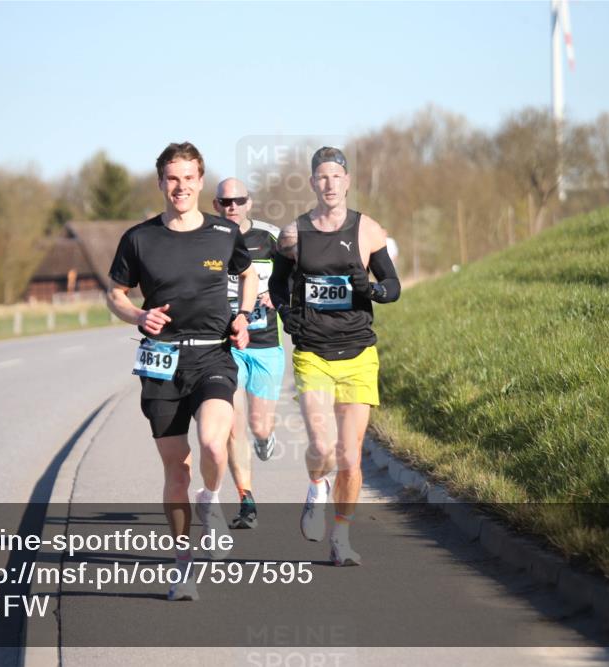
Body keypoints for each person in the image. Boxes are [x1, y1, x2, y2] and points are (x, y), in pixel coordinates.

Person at [106, 142, 258, 601]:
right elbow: (115, 292)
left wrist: (243, 315)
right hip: (161, 361)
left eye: (189, 178)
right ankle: (181, 567)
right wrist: (137, 316)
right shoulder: (139, 239)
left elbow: (249, 274)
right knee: (177, 471)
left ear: (200, 181)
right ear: (161, 183)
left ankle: (210, 502)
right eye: (173, 178)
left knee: (214, 441)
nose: (181, 187)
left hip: (212, 354)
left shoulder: (222, 233)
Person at [268, 147, 401, 566]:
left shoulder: (368, 231)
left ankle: (341, 537)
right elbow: (276, 284)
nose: (329, 184)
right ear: (312, 183)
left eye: (336, 176)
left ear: (347, 181)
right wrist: (287, 314)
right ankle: (314, 486)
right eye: (321, 177)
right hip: (314, 353)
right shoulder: (294, 235)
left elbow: (392, 285)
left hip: (359, 353)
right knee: (322, 446)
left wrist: (372, 290)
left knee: (349, 455)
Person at [212, 178, 284, 530]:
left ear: (249, 203)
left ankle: (266, 435)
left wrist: (280, 294)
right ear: (216, 206)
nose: (232, 207)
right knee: (232, 424)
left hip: (266, 343)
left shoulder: (269, 237)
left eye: (238, 200)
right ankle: (246, 500)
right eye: (225, 202)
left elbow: (297, 272)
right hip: (228, 346)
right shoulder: (209, 237)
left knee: (258, 424)